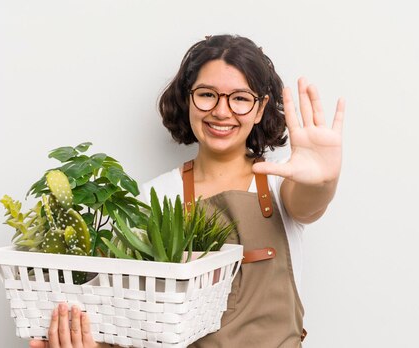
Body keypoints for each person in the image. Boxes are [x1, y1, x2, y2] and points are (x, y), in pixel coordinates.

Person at [30, 34, 344, 348]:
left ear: (260, 108)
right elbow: (132, 318)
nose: (222, 111)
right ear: (187, 98)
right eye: (207, 94)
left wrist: (323, 180)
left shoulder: (281, 186)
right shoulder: (154, 196)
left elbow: (309, 203)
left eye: (240, 98)